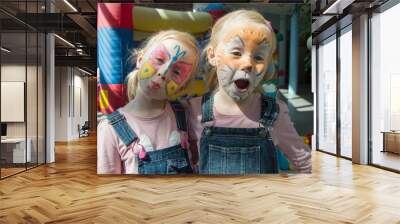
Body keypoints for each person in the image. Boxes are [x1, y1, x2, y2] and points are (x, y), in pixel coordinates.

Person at [186, 10, 312, 174]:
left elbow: (305, 163)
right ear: (212, 56)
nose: (248, 64)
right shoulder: (192, 110)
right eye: (236, 53)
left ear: (267, 65)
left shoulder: (275, 113)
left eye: (259, 57)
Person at [98, 30, 200, 174]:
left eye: (177, 72)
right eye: (159, 60)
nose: (163, 73)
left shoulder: (186, 115)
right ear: (140, 59)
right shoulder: (110, 129)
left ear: (182, 85)